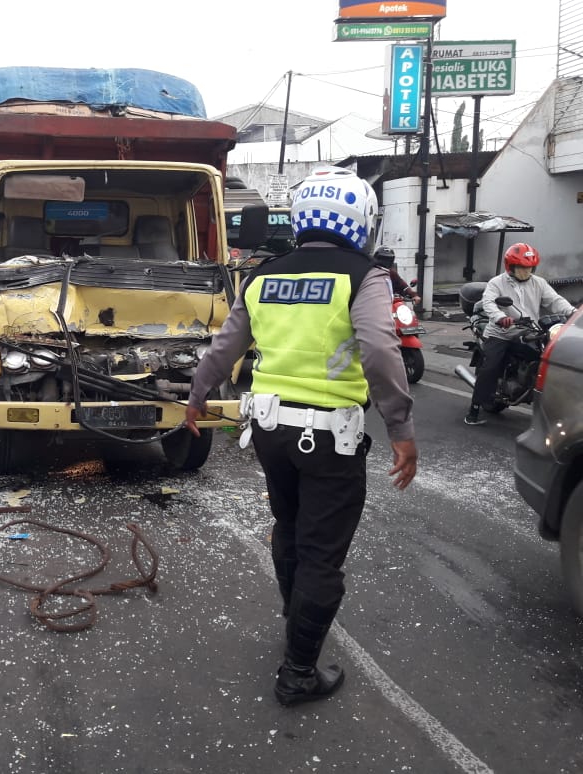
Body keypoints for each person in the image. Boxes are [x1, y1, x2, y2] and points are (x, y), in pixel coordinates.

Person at [184, 166, 417, 706]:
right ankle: (298, 673)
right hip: (330, 438)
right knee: (322, 555)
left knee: (288, 526)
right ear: (361, 222)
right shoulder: (365, 276)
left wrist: (197, 396)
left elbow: (224, 349)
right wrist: (401, 428)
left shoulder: (263, 275)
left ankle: (299, 617)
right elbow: (382, 353)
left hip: (268, 430)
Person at [464, 242, 576, 425]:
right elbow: (489, 303)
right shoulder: (497, 283)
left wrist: (573, 312)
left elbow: (555, 301)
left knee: (548, 357)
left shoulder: (539, 283)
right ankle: (474, 410)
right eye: (522, 268)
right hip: (501, 333)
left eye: (529, 268)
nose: (526, 272)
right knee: (491, 368)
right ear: (510, 267)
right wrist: (500, 317)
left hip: (529, 330)